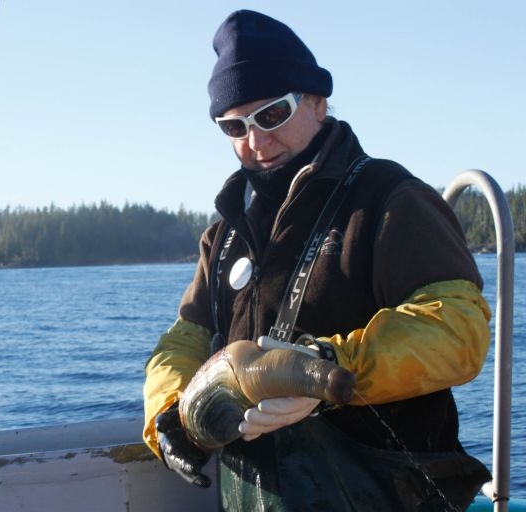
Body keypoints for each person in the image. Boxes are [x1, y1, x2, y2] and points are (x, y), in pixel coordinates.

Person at [142, 9, 493, 511]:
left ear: (317, 103)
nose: (256, 141)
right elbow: (184, 340)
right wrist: (172, 414)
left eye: (272, 114)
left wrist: (327, 367)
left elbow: (458, 329)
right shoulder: (222, 237)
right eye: (234, 125)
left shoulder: (390, 199)